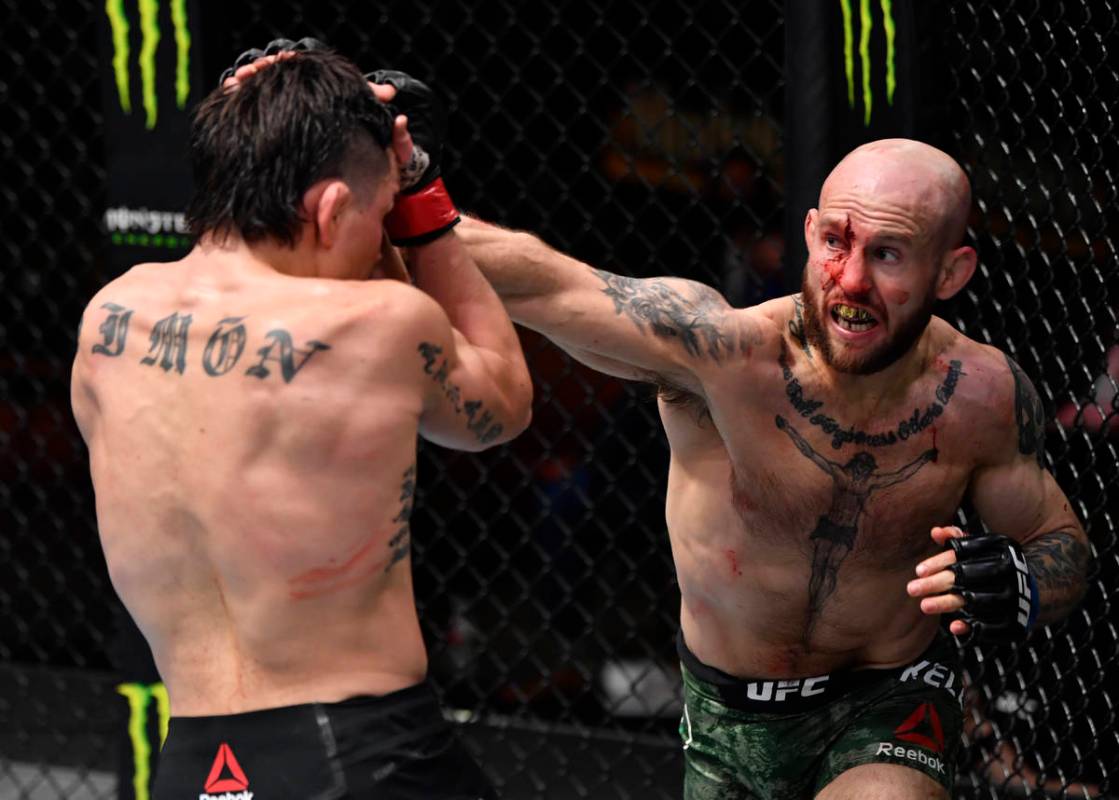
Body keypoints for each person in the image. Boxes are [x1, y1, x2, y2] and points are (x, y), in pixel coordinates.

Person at [454, 138, 1092, 799]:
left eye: (888, 254)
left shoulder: (980, 397)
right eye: (837, 242)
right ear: (809, 233)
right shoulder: (724, 354)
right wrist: (399, 196)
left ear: (950, 273)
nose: (850, 280)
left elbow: (1064, 548)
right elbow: (549, 282)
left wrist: (1022, 583)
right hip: (725, 716)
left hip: (883, 701)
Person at [71, 41, 531, 799]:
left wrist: (269, 122)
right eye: (377, 216)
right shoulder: (380, 323)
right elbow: (502, 404)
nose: (380, 239)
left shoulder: (110, 321)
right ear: (330, 209)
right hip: (364, 755)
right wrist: (421, 199)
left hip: (190, 763)